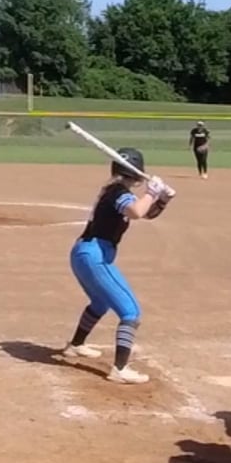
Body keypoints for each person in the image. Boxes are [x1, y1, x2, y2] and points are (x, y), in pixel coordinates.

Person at [60, 147, 173, 385]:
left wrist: (162, 200)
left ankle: (75, 345)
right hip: (94, 255)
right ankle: (119, 369)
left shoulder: (115, 191)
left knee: (100, 303)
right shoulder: (117, 192)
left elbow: (145, 212)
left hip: (86, 253)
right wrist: (152, 192)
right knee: (131, 312)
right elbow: (137, 212)